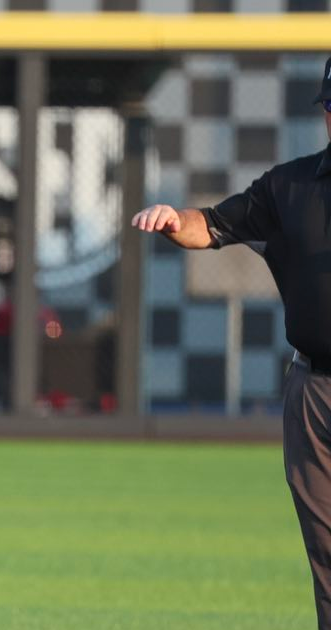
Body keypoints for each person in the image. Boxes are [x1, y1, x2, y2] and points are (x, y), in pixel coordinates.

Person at [132, 54, 331, 629]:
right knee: (327, 556)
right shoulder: (291, 187)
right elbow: (214, 224)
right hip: (315, 392)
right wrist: (176, 219)